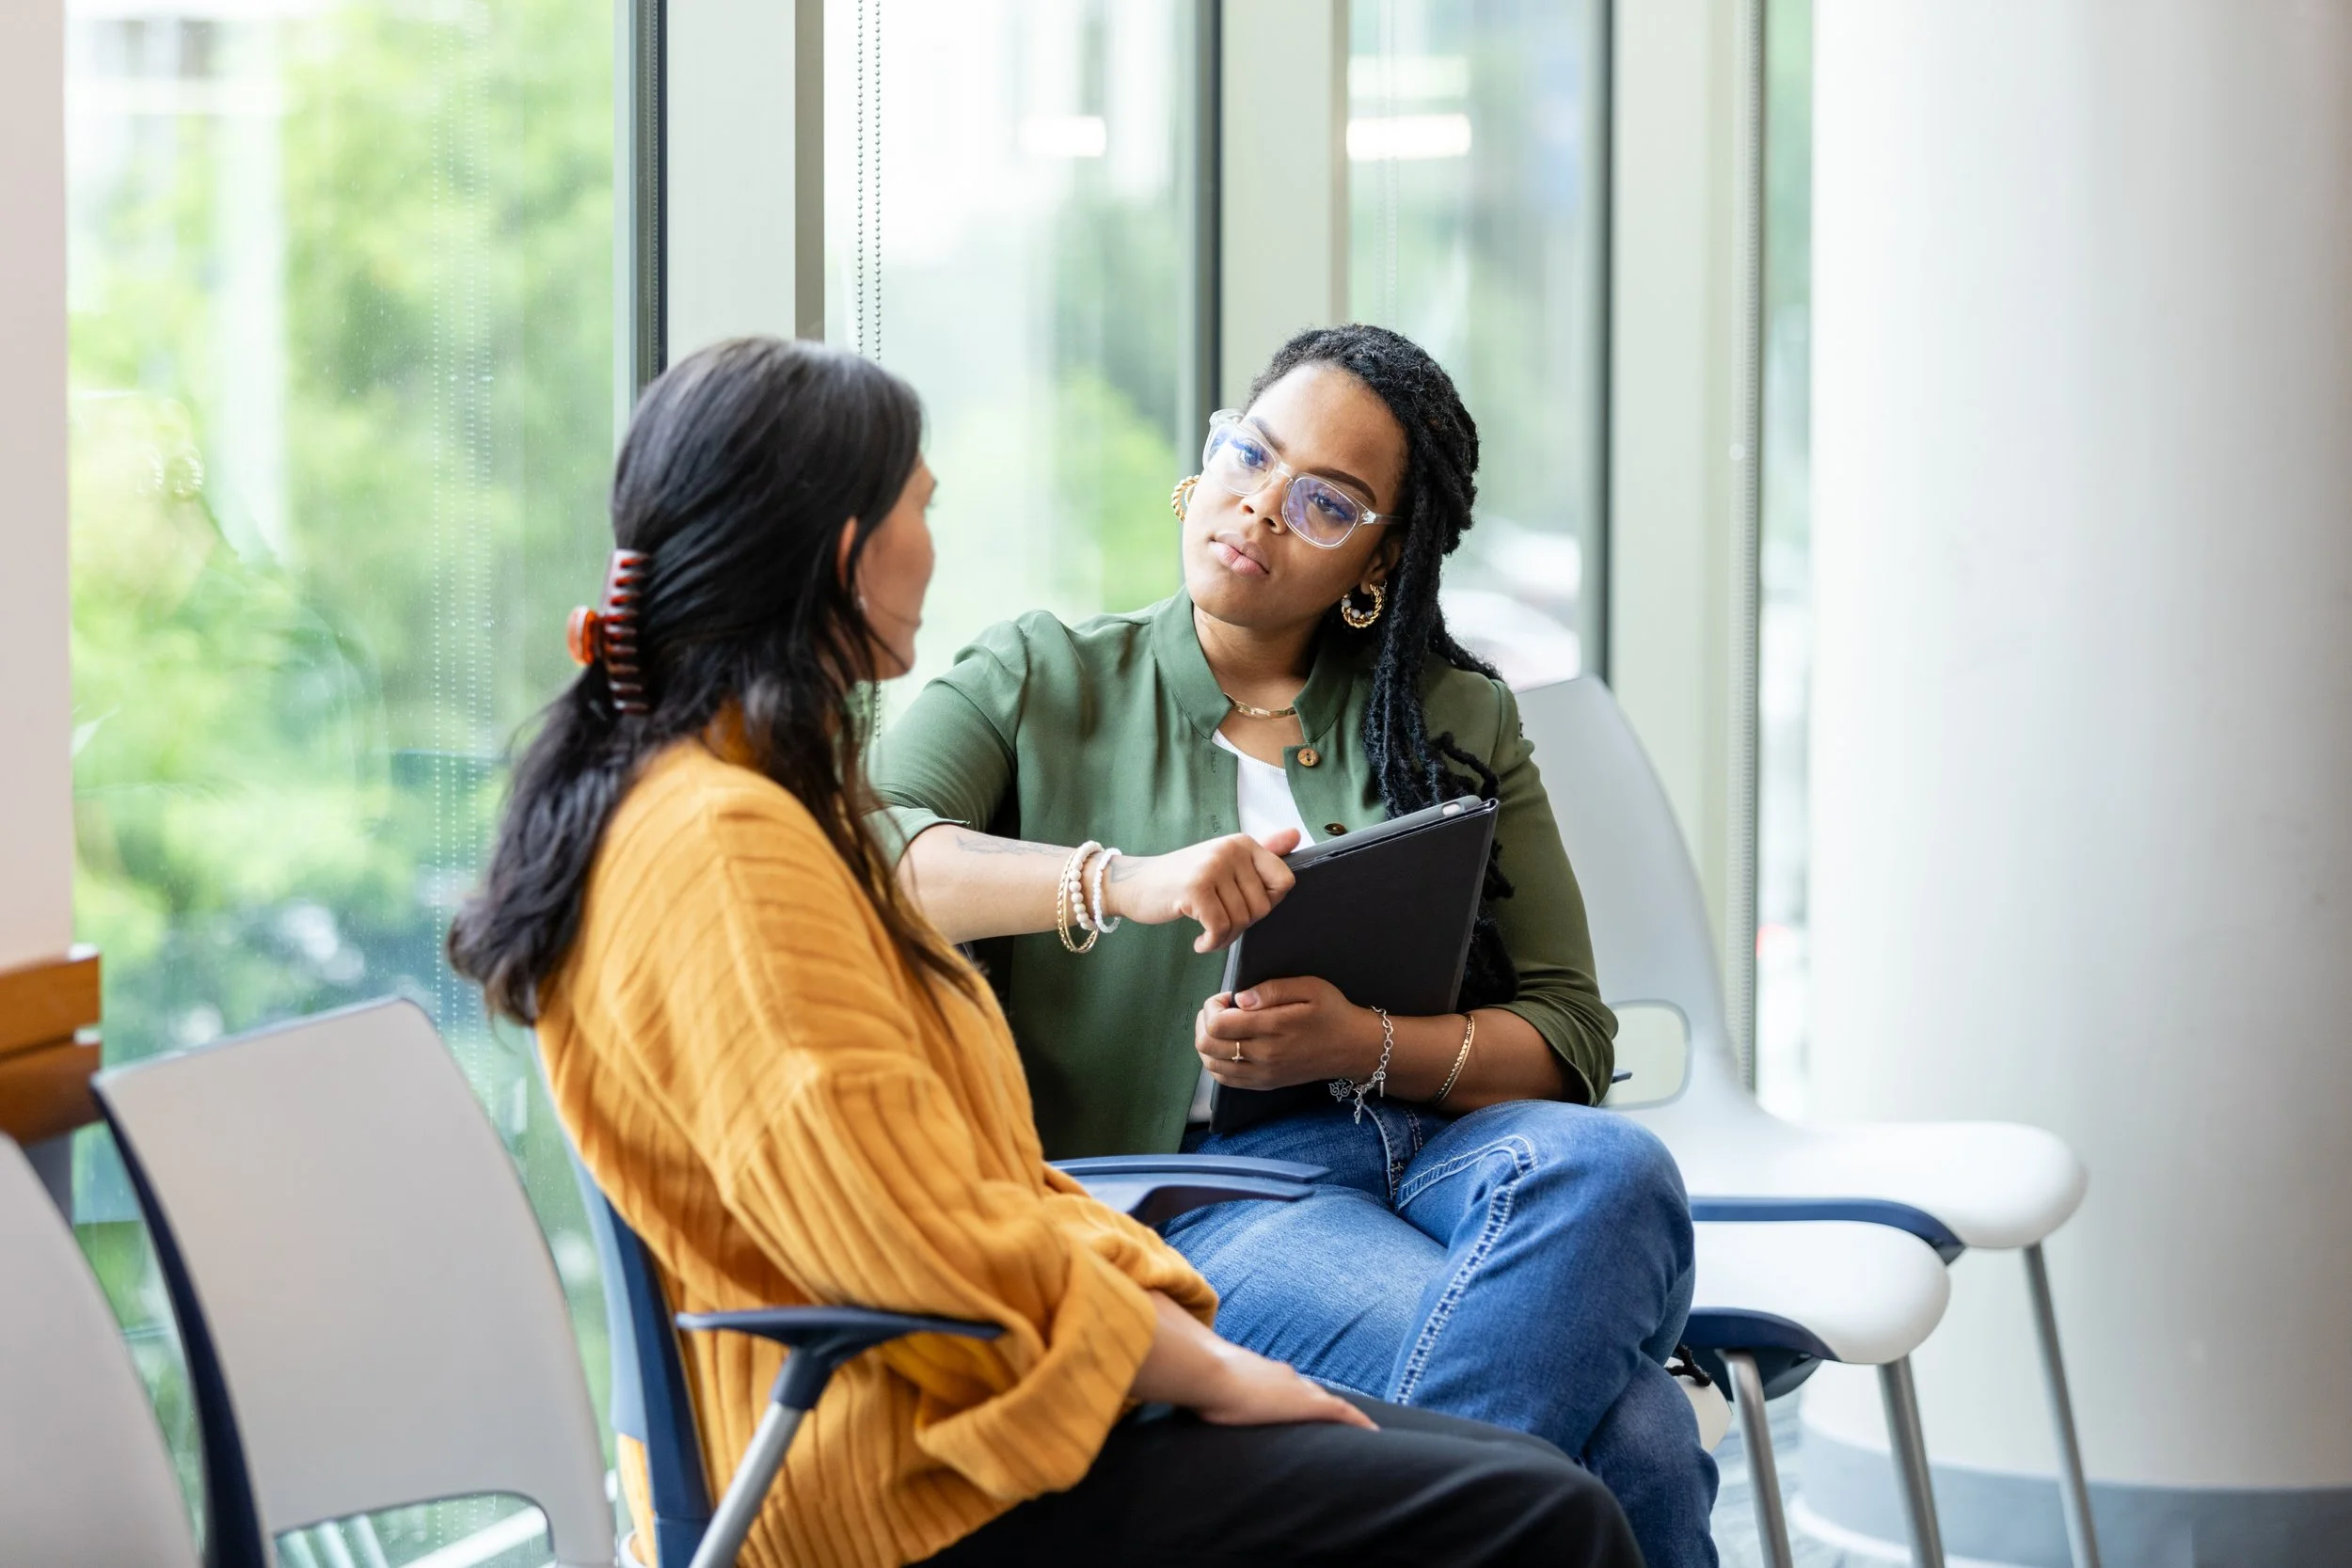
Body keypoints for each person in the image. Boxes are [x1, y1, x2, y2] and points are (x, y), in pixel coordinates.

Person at [448, 337, 1641, 1568]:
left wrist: (1181, 1330)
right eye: (924, 506)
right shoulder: (730, 841)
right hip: (926, 1462)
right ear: (849, 551)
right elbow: (902, 1235)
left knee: (1589, 1362)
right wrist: (1203, 1363)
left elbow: (934, 1193)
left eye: (1326, 499)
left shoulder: (734, 812)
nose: (934, 542)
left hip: (980, 1397)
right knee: (1564, 1496)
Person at [874, 323, 1718, 1565]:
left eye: (1325, 502)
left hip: (1441, 1153)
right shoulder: (1039, 677)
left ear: (1380, 558)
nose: (1261, 507)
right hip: (1199, 1192)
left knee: (1619, 1173)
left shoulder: (1453, 710)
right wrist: (1126, 881)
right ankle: (1461, 1518)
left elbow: (1567, 1032)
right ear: (1204, 457)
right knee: (1638, 1429)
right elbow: (869, 856)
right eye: (1250, 455)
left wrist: (1363, 1041)